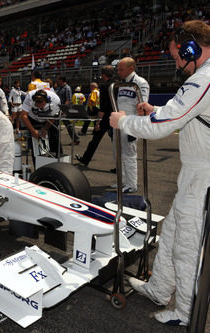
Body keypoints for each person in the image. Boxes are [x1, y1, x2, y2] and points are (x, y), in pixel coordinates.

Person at [110, 20, 210, 327]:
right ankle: (158, 289)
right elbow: (186, 117)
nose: (176, 61)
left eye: (178, 54)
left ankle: (185, 312)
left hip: (204, 176)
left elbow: (167, 126)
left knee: (188, 245)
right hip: (196, 172)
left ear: (192, 48)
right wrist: (155, 111)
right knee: (171, 235)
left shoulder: (203, 78)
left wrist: (123, 121)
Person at [112, 57, 150, 193]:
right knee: (117, 154)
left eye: (121, 69)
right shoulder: (122, 84)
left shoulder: (140, 83)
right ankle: (122, 181)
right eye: (118, 69)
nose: (119, 72)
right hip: (119, 124)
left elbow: (143, 106)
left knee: (129, 155)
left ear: (131, 68)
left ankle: (131, 184)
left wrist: (134, 129)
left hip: (130, 125)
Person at [75, 66, 115, 167]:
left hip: (105, 117)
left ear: (104, 75)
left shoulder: (104, 86)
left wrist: (98, 122)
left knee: (95, 140)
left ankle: (85, 160)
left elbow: (103, 105)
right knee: (116, 143)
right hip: (115, 116)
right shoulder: (117, 84)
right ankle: (119, 166)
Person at [19, 89, 62, 157]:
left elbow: (53, 117)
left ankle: (57, 159)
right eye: (37, 104)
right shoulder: (29, 97)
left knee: (54, 139)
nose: (38, 106)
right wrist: (33, 131)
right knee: (35, 143)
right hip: (33, 118)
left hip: (49, 118)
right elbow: (24, 115)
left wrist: (45, 128)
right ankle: (37, 163)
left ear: (47, 100)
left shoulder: (55, 100)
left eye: (41, 104)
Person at [56, 76, 80, 145]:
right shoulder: (59, 88)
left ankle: (76, 139)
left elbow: (68, 99)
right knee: (55, 124)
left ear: (61, 80)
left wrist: (64, 109)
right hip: (58, 109)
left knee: (68, 125)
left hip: (63, 109)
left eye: (58, 80)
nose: (57, 81)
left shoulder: (67, 88)